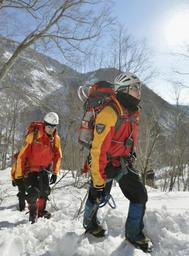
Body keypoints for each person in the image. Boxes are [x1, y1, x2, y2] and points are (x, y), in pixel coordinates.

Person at [83, 72, 152, 252]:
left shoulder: (131, 111)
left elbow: (125, 138)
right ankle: (90, 225)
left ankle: (133, 234)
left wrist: (131, 152)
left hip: (122, 162)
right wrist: (98, 182)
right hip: (104, 164)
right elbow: (98, 151)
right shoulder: (109, 112)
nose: (139, 92)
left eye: (139, 88)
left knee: (140, 195)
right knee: (97, 196)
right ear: (124, 90)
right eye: (135, 88)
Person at [13, 112, 62, 223]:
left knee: (44, 192)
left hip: (44, 170)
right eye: (49, 126)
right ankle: (33, 214)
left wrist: (55, 172)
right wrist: (19, 176)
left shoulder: (56, 139)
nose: (51, 129)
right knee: (32, 193)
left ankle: (40, 212)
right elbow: (21, 156)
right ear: (44, 124)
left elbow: (58, 156)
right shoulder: (33, 136)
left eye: (53, 127)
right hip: (30, 170)